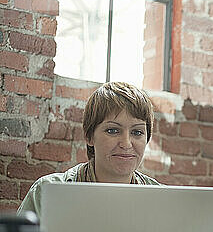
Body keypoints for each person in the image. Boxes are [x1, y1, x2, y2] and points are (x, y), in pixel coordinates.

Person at [18, 81, 159, 217]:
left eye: (137, 132)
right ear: (89, 136)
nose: (126, 144)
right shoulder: (46, 193)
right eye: (112, 130)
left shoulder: (161, 198)